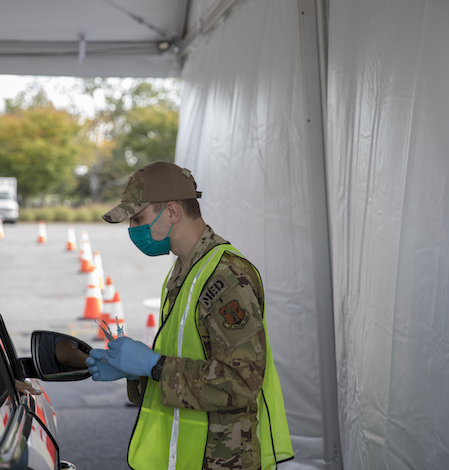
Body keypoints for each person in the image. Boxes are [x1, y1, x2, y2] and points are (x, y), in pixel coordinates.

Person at [85, 161, 293, 470]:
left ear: (171, 211)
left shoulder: (227, 277)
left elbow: (241, 382)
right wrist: (136, 372)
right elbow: (186, 357)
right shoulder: (184, 271)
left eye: (138, 218)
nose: (133, 230)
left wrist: (152, 364)